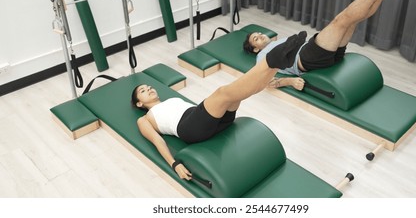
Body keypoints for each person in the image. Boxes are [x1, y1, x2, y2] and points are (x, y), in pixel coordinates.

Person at [131, 32, 306, 181]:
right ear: (140, 103)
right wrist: (174, 164)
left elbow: (200, 110)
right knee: (223, 92)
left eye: (149, 86)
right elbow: (158, 141)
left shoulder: (169, 100)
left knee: (241, 93)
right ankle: (272, 60)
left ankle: (275, 65)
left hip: (209, 120)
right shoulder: (144, 119)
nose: (149, 89)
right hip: (189, 128)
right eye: (143, 91)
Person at [243, 0, 404, 91]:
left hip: (325, 56)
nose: (261, 35)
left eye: (259, 33)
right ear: (256, 49)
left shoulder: (276, 43)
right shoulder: (261, 57)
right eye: (256, 39)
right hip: (307, 59)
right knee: (340, 20)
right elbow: (266, 82)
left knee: (352, 20)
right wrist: (289, 82)